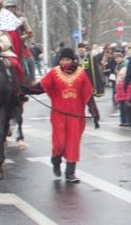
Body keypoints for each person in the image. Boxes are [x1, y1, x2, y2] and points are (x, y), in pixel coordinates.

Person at [38, 47, 95, 183]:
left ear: (72, 60)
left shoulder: (81, 74)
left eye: (67, 59)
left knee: (73, 144)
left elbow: (88, 93)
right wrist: (26, 90)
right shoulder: (53, 73)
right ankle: (56, 159)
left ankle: (70, 173)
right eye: (63, 59)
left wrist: (94, 111)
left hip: (76, 116)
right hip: (59, 115)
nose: (65, 62)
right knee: (59, 143)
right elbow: (42, 86)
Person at [4, 0, 35, 82]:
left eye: (12, 7)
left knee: (30, 60)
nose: (10, 10)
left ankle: (31, 80)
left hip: (20, 45)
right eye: (8, 8)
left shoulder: (21, 19)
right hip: (5, 46)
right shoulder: (1, 19)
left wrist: (20, 38)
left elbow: (30, 33)